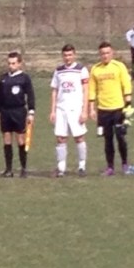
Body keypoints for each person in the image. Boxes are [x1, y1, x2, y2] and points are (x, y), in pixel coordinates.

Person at [88, 41, 133, 175]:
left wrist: (128, 107)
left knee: (120, 138)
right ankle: (110, 167)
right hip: (103, 110)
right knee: (107, 139)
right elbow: (92, 90)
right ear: (99, 55)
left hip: (118, 109)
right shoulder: (95, 69)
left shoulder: (119, 67)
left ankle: (125, 164)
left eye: (108, 53)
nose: (105, 56)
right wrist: (91, 108)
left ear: (112, 53)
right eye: (102, 53)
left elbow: (126, 86)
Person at [0, 52, 35, 178]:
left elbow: (31, 95)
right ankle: (8, 169)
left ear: (19, 64)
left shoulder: (24, 78)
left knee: (20, 140)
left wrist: (31, 112)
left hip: (19, 111)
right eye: (9, 63)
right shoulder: (3, 78)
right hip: (5, 111)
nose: (11, 66)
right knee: (6, 139)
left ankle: (23, 168)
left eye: (13, 63)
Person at [50, 43, 89, 177]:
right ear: (62, 56)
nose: (68, 58)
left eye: (70, 55)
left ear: (74, 55)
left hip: (76, 108)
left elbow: (86, 91)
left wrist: (85, 110)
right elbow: (55, 91)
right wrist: (53, 110)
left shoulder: (81, 69)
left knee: (79, 137)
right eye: (65, 55)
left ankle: (82, 166)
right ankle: (61, 168)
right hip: (61, 109)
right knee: (61, 138)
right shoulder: (58, 71)